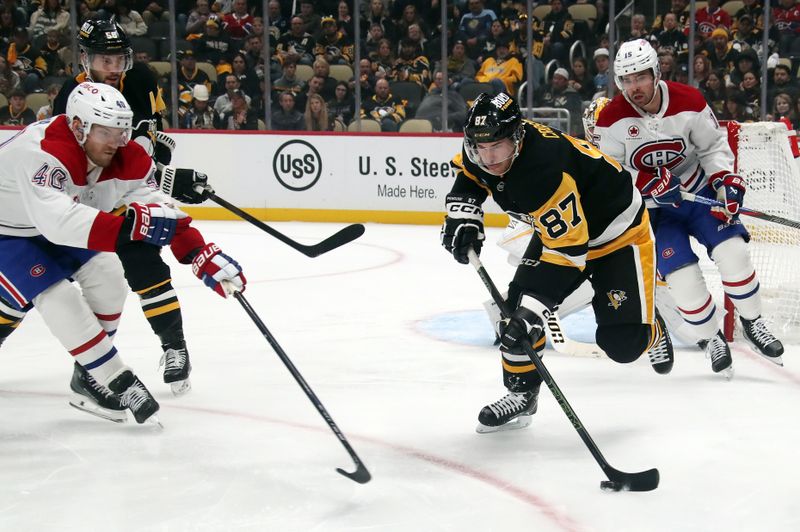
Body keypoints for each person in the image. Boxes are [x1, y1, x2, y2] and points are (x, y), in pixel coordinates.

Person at [441, 92, 669, 432]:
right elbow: (471, 176)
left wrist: (533, 310)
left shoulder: (543, 172)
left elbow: (568, 253)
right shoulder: (486, 142)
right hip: (563, 231)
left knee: (623, 345)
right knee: (514, 316)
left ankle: (652, 327)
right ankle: (522, 395)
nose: (488, 159)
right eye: (480, 148)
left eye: (497, 148)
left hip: (616, 234)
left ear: (517, 139)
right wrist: (464, 214)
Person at [595, 39, 784, 378]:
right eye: (626, 80)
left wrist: (725, 181)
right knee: (682, 281)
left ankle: (753, 322)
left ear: (655, 72)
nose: (634, 87)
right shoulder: (611, 118)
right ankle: (711, 338)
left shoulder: (689, 100)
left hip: (699, 193)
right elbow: (610, 170)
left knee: (734, 254)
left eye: (640, 77)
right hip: (656, 211)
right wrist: (643, 182)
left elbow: (712, 147)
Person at [0, 83, 187, 424]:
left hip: (44, 222)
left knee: (109, 274)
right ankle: (111, 376)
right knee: (57, 297)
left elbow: (142, 191)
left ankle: (87, 379)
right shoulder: (42, 151)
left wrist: (185, 225)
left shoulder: (105, 149)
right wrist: (132, 228)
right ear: (77, 126)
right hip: (7, 232)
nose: (117, 141)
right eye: (106, 132)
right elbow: (58, 222)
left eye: (122, 131)